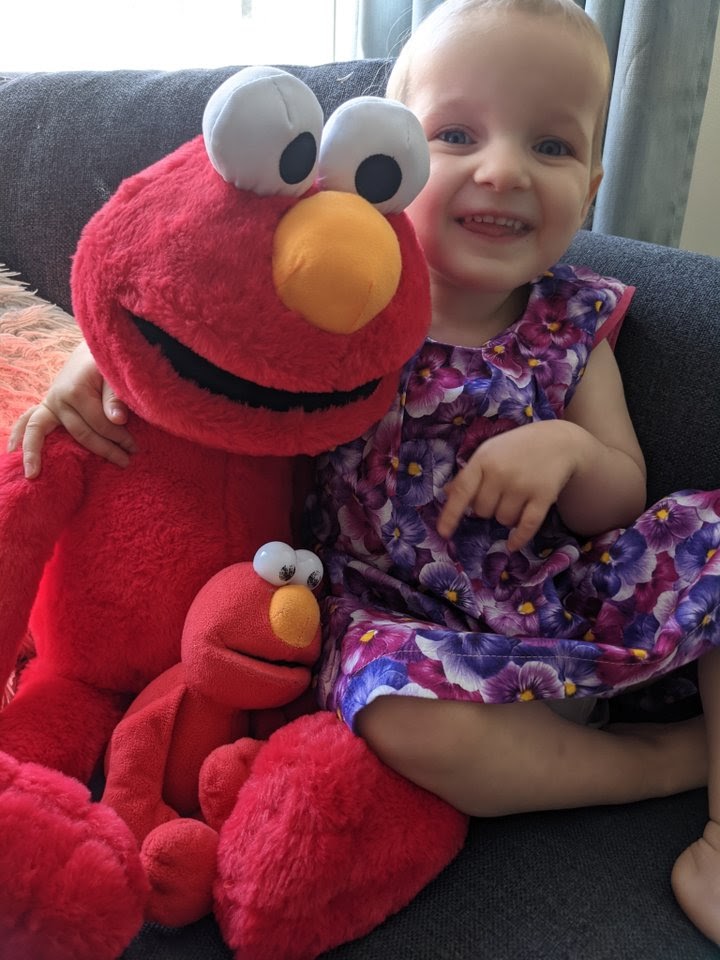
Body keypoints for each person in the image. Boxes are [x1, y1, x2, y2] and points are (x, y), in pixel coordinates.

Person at [8, 0, 720, 942]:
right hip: (396, 629)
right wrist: (91, 359)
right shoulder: (346, 300)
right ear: (386, 169)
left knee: (710, 534)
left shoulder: (576, 323)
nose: (503, 169)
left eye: (550, 147)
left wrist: (573, 452)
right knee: (395, 721)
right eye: (457, 134)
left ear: (590, 185)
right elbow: (191, 320)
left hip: (554, 602)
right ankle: (665, 764)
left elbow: (620, 500)